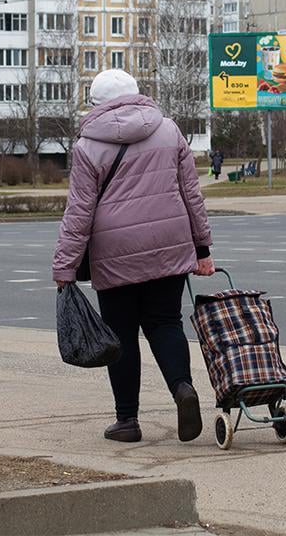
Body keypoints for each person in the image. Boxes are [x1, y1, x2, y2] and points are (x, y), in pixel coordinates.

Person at [52, 69, 215, 444]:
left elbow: (79, 212)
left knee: (121, 334)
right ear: (137, 95)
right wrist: (202, 248)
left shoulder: (87, 146)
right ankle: (182, 389)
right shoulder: (169, 130)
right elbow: (192, 194)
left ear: (95, 104)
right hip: (170, 244)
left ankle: (127, 421)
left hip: (115, 252)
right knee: (165, 323)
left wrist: (65, 265)